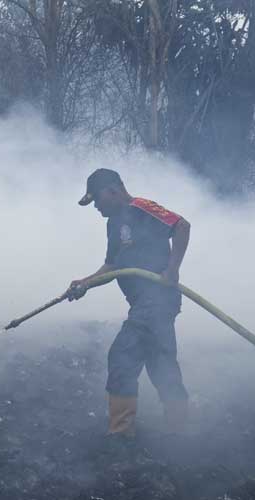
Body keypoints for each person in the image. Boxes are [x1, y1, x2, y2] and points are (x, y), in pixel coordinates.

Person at [67, 168, 191, 437]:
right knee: (161, 364)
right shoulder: (113, 224)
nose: (97, 208)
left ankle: (120, 435)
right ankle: (180, 429)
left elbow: (182, 226)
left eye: (97, 200)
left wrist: (172, 270)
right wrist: (85, 283)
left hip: (157, 300)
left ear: (112, 190)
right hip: (143, 304)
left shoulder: (142, 207)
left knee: (122, 355)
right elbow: (112, 266)